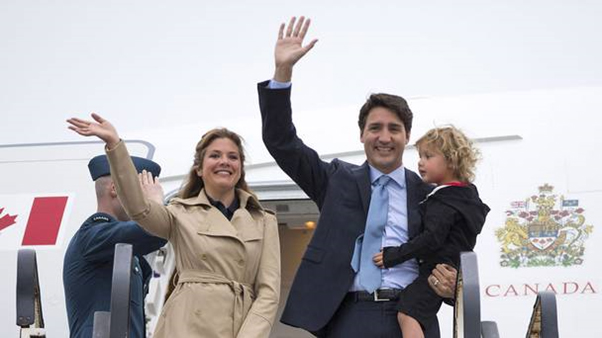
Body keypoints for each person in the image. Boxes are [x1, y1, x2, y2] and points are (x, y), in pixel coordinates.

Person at [257, 16, 457, 337]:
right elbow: (281, 142)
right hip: (348, 316)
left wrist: (451, 283)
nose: (384, 137)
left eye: (394, 129)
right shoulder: (336, 179)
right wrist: (283, 74)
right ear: (361, 136)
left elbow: (449, 251)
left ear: (407, 137)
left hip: (411, 317)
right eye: (375, 128)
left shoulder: (430, 193)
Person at [66, 115, 281, 338]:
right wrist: (115, 145)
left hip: (240, 326)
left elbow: (269, 293)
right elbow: (140, 212)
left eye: (233, 156)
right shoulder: (179, 213)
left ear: (240, 167)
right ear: (199, 168)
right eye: (215, 155)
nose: (224, 161)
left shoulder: (264, 221)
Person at [374, 126, 490, 338]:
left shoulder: (443, 200)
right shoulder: (466, 196)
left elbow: (431, 239)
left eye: (428, 156)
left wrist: (393, 255)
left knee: (407, 313)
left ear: (451, 160)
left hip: (435, 271)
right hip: (448, 267)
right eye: (420, 156)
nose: (420, 162)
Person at [63, 154, 167, 338]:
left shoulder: (124, 247)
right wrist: (157, 205)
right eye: (142, 192)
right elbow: (154, 231)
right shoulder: (93, 235)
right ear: (115, 189)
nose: (145, 202)